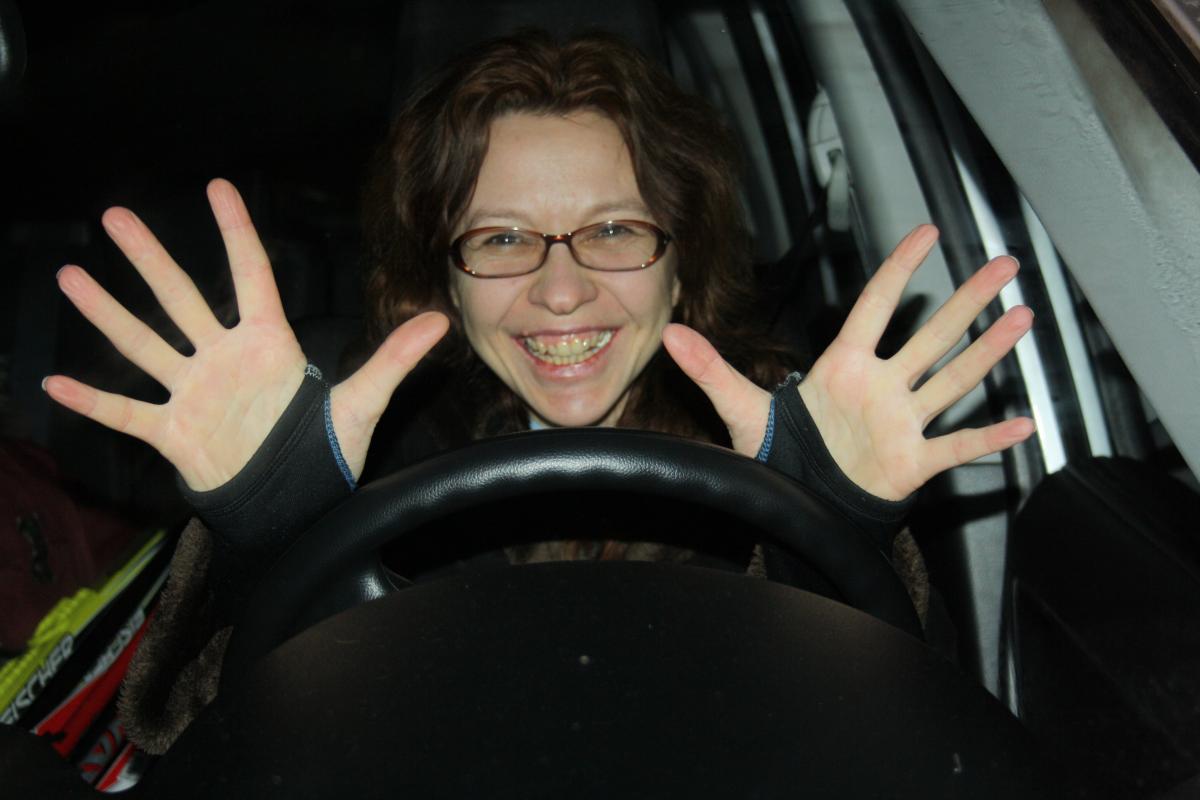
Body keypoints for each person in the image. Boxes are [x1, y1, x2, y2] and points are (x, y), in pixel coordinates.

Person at [42, 31, 1034, 752]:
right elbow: (199, 749)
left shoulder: (791, 448)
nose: (561, 291)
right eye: (504, 237)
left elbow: (903, 752)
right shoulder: (362, 453)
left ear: (682, 264)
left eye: (614, 230)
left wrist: (828, 533)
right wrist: (272, 537)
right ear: (445, 276)